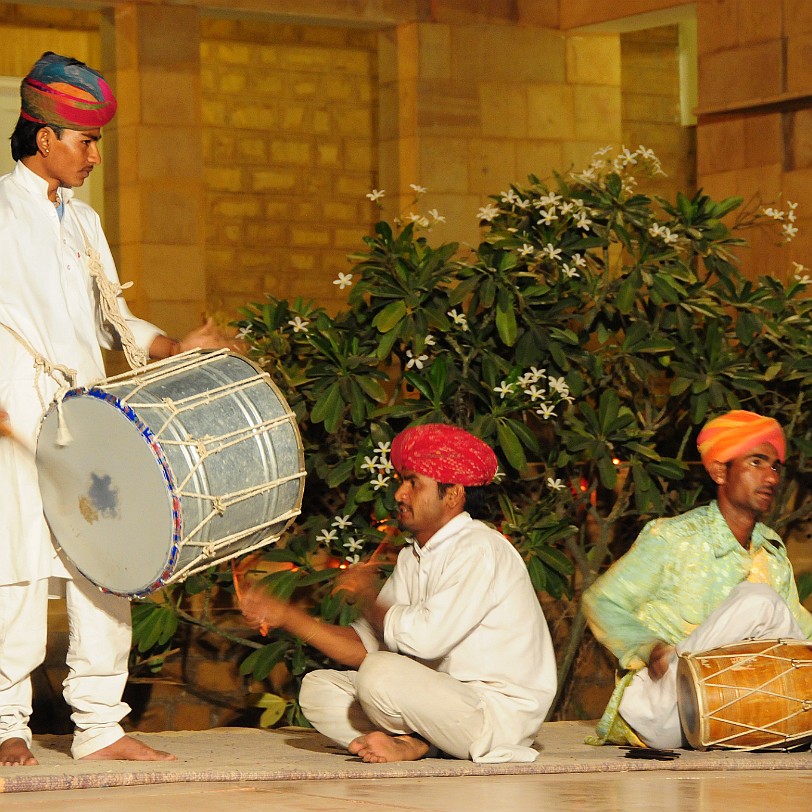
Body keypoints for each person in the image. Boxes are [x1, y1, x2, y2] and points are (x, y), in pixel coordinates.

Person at [0, 51, 241, 767]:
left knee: (105, 561)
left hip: (88, 418)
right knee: (12, 570)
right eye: (86, 141)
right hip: (12, 410)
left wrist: (170, 344)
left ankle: (100, 725)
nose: (95, 155)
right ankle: (6, 723)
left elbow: (113, 317)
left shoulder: (85, 223)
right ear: (43, 138)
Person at [239, 423, 557, 764]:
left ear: (452, 494)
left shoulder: (478, 548)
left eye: (413, 483)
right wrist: (287, 616)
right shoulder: (414, 556)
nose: (399, 495)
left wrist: (369, 596)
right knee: (320, 688)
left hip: (494, 715)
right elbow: (365, 646)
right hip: (441, 705)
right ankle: (418, 743)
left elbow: (424, 640)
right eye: (401, 482)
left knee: (380, 674)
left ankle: (418, 743)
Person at [583, 409, 812, 749]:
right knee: (758, 600)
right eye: (757, 463)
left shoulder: (771, 552)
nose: (772, 478)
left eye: (775, 466)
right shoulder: (673, 538)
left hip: (727, 712)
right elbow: (600, 600)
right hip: (661, 707)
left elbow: (797, 630)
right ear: (721, 471)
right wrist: (649, 647)